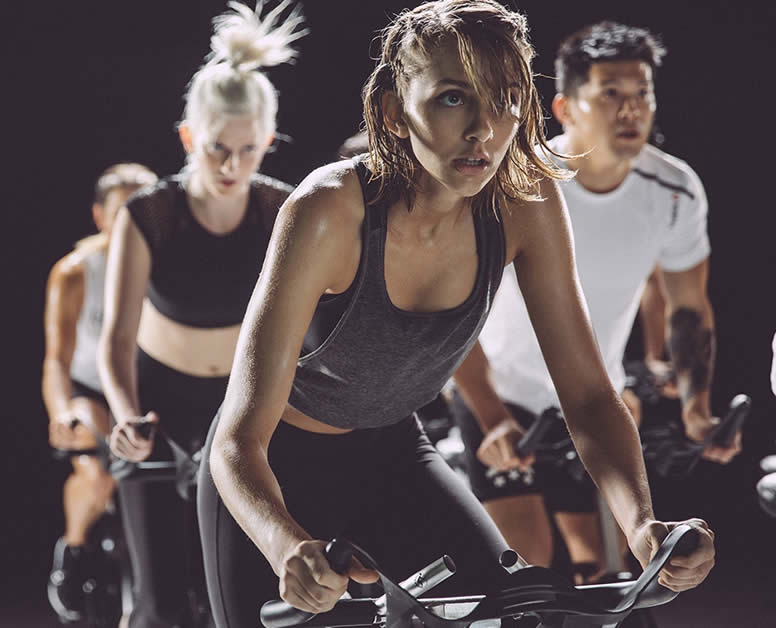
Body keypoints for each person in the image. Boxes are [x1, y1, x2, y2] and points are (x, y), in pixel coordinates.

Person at [197, 4, 716, 628]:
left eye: (505, 101)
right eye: (451, 98)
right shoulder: (328, 211)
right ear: (393, 109)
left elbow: (586, 393)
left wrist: (641, 528)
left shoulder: (527, 200)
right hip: (272, 469)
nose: (484, 130)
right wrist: (286, 544)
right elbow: (236, 439)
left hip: (395, 455)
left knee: (509, 611)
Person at [450, 21, 739, 583]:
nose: (631, 110)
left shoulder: (675, 191)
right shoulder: (513, 181)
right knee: (527, 568)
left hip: (591, 401)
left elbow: (686, 307)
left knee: (603, 571)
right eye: (610, 93)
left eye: (642, 94)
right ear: (565, 106)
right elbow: (449, 315)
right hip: (500, 394)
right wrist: (491, 418)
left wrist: (696, 406)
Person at [97, 3, 302, 626]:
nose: (234, 166)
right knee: (161, 602)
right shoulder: (149, 214)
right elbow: (117, 337)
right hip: (160, 403)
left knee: (241, 597)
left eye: (249, 149)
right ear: (189, 138)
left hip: (246, 405)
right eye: (218, 149)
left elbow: (311, 326)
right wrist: (126, 413)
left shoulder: (282, 210)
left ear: (267, 140)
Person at [43, 163, 157, 622]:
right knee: (99, 471)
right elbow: (56, 357)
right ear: (100, 217)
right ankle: (72, 554)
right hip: (91, 388)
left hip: (148, 390)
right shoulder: (75, 272)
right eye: (123, 210)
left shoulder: (168, 265)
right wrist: (60, 412)